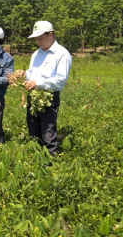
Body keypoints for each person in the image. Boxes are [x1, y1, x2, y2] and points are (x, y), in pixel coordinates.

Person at [16, 20, 72, 156]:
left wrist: (38, 83)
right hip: (33, 95)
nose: (38, 41)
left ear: (51, 35)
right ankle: (36, 156)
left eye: (40, 38)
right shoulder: (37, 53)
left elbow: (60, 80)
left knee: (48, 129)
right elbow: (32, 72)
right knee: (33, 127)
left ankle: (50, 159)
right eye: (36, 38)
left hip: (49, 96)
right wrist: (24, 74)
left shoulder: (62, 54)